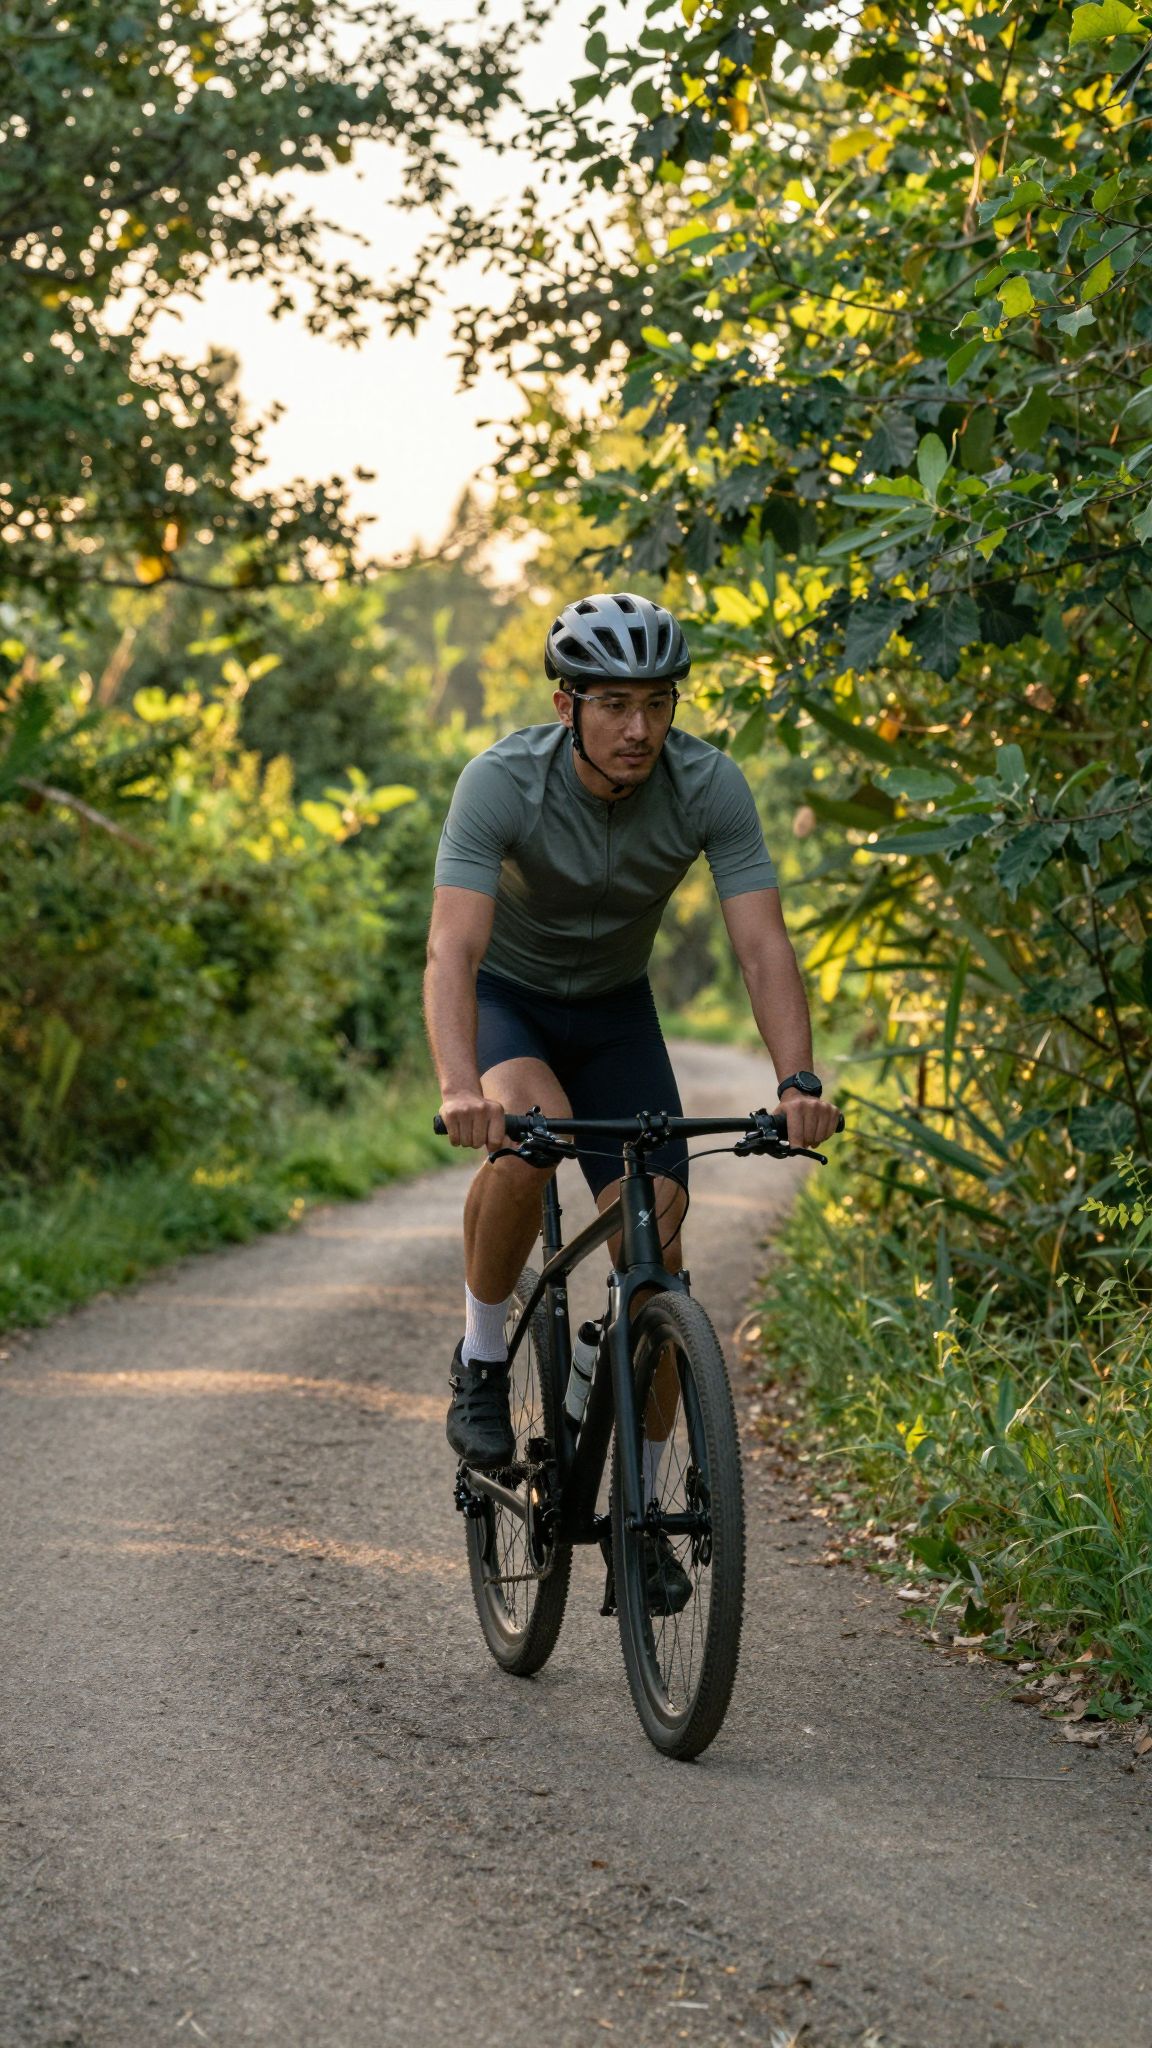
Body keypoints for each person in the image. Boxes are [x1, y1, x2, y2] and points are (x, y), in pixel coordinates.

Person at [423, 591, 840, 1599]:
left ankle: (638, 1511)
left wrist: (795, 1081)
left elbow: (760, 942)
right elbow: (453, 945)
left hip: (616, 1014)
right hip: (511, 1005)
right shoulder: (500, 782)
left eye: (656, 702)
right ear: (567, 705)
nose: (638, 727)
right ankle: (482, 1359)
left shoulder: (708, 786)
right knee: (527, 1146)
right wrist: (456, 1082)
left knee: (656, 1258)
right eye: (613, 702)